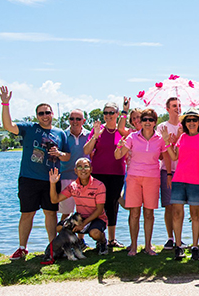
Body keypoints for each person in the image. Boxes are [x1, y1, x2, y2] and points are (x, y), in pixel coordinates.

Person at [0, 86, 71, 260]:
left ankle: (53, 248)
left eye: (47, 112)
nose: (45, 116)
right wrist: (5, 103)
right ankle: (22, 248)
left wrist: (59, 154)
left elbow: (67, 156)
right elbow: (8, 125)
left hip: (51, 180)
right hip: (29, 178)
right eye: (41, 113)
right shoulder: (29, 128)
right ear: (36, 116)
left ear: (52, 114)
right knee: (27, 213)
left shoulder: (60, 133)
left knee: (50, 213)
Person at [114, 108, 168, 256]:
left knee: (149, 213)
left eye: (151, 120)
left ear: (155, 122)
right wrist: (119, 146)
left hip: (152, 178)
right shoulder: (132, 137)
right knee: (134, 213)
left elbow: (164, 157)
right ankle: (133, 247)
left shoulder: (160, 139)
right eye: (144, 119)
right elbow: (118, 155)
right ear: (141, 122)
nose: (147, 122)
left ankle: (148, 246)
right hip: (133, 177)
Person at [162, 108, 199, 260]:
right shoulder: (182, 137)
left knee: (195, 215)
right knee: (177, 214)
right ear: (185, 123)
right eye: (189, 120)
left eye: (195, 120)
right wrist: (166, 142)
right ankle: (178, 246)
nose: (192, 122)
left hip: (197, 181)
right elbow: (174, 156)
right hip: (179, 179)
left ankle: (195, 247)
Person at [84, 102, 127, 248]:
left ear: (117, 114)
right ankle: (99, 239)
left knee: (112, 205)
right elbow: (86, 150)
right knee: (98, 206)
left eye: (111, 113)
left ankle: (111, 239)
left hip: (117, 173)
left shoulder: (121, 131)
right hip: (98, 173)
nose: (108, 116)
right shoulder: (98, 130)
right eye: (105, 113)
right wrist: (95, 136)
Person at [48, 158, 109, 255]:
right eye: (80, 167)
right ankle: (76, 244)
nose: (83, 169)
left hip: (97, 218)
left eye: (86, 166)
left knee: (95, 233)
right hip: (80, 218)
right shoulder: (73, 186)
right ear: (75, 171)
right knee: (59, 228)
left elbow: (99, 210)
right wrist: (52, 183)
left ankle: (102, 242)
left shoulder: (99, 185)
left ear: (91, 169)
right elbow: (55, 200)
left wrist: (83, 224)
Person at [155, 97, 183, 250]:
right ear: (167, 109)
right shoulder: (162, 127)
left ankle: (179, 237)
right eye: (174, 106)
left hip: (182, 170)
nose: (177, 108)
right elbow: (163, 151)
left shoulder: (184, 126)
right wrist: (168, 175)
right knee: (169, 205)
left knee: (179, 207)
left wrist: (179, 137)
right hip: (167, 170)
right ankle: (170, 237)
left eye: (179, 105)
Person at [58, 109, 91, 223]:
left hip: (85, 179)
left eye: (78, 119)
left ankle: (81, 240)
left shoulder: (90, 135)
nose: (75, 121)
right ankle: (63, 238)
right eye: (72, 119)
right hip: (65, 178)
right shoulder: (62, 135)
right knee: (66, 212)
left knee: (83, 212)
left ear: (84, 121)